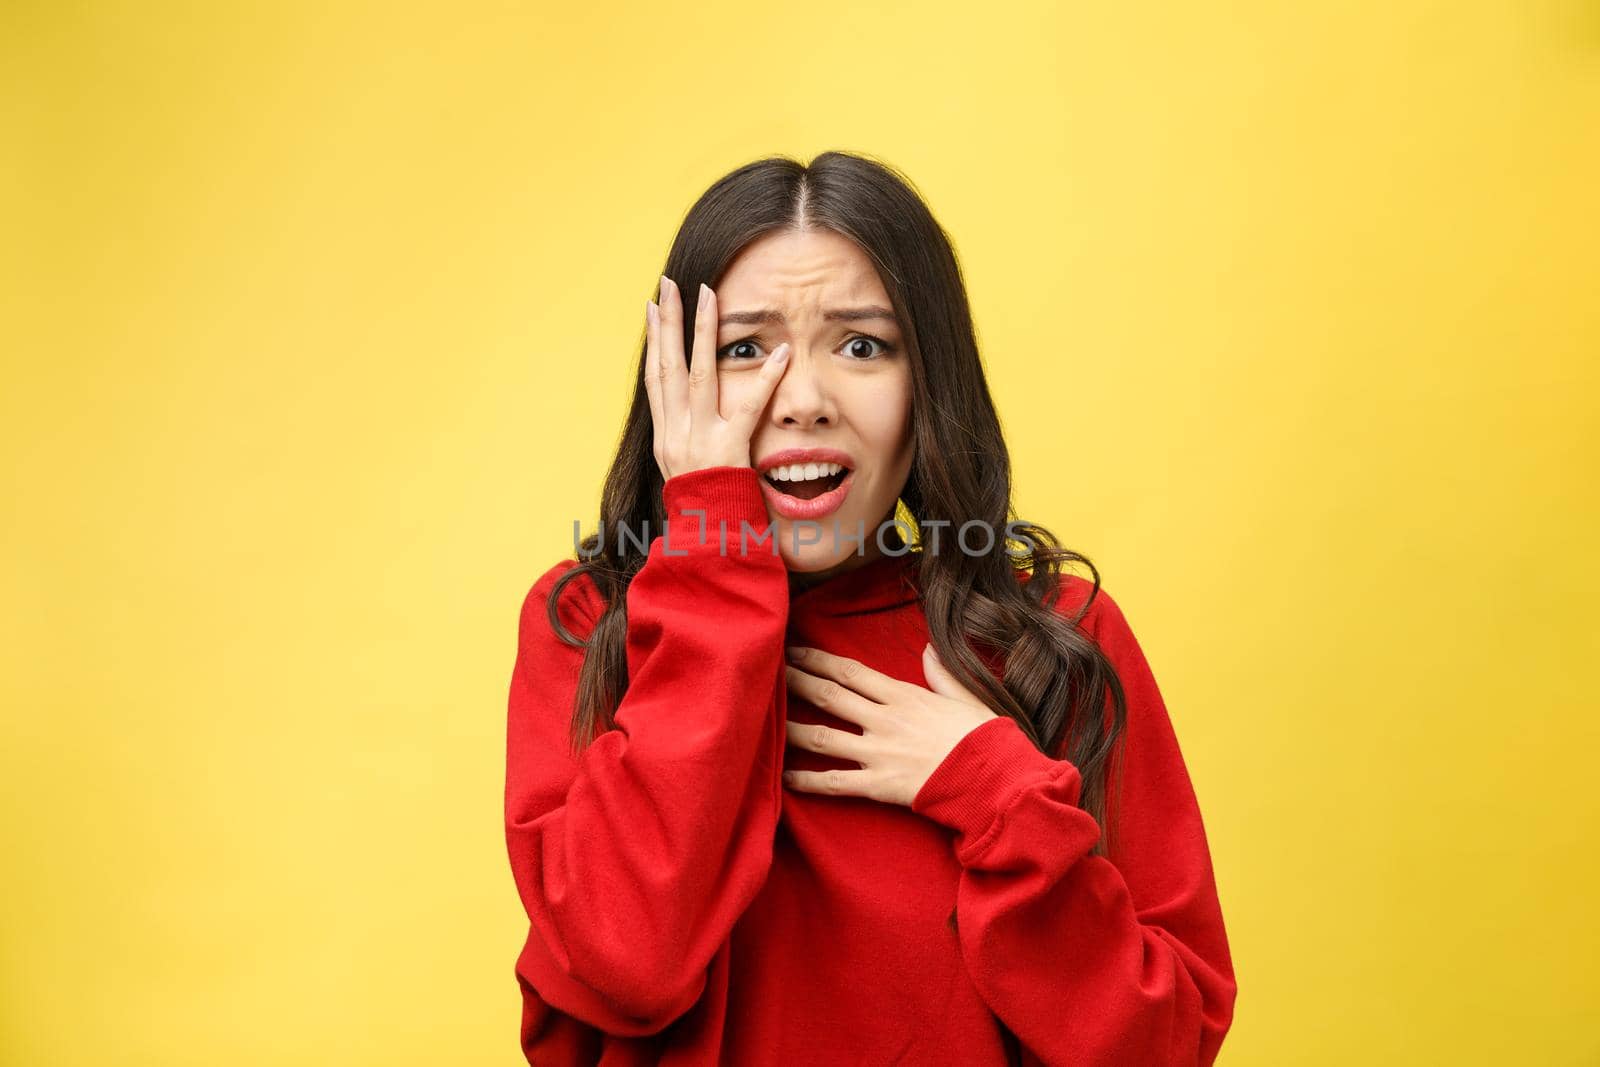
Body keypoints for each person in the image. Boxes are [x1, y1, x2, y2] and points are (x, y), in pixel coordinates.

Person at [503, 151, 1238, 1065]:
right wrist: (712, 560)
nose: (803, 400)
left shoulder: (1059, 638)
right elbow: (628, 963)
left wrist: (991, 787)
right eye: (744, 348)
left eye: (862, 345)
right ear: (673, 381)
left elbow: (1163, 1043)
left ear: (929, 380)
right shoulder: (587, 629)